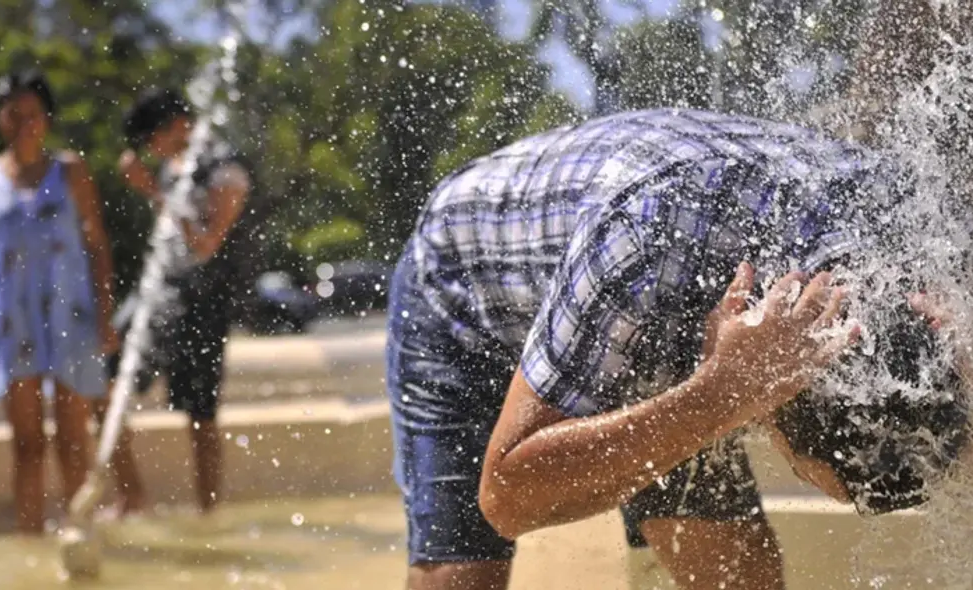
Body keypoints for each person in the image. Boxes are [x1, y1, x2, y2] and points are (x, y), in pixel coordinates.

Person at [386, 108, 970, 590]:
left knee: (738, 579)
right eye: (792, 460)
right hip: (468, 281)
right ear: (776, 399)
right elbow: (506, 498)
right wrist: (718, 394)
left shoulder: (924, 237)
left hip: (664, 304)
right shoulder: (646, 241)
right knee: (464, 575)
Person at [96, 87, 252, 515]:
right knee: (102, 376)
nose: (150, 150)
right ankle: (132, 496)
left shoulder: (226, 171)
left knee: (200, 415)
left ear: (177, 126)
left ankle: (208, 514)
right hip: (158, 294)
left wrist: (153, 192)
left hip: (204, 304)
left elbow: (205, 245)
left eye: (151, 140)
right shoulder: (172, 169)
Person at [0, 70, 117, 534]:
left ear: (47, 119)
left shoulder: (71, 170)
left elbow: (97, 246)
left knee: (74, 437)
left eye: (32, 114)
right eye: (13, 113)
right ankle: (31, 542)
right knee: (27, 442)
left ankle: (80, 537)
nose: (23, 123)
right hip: (10, 321)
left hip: (70, 315)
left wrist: (106, 316)